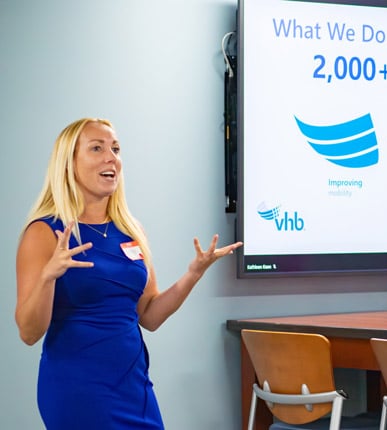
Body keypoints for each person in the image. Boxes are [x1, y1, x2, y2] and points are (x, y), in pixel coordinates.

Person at [14, 118, 243, 429]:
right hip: (77, 389)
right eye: (97, 148)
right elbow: (29, 332)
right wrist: (48, 277)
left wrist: (193, 274)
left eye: (116, 149)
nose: (112, 158)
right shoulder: (44, 232)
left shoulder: (130, 231)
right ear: (68, 163)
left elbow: (149, 316)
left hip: (133, 387)